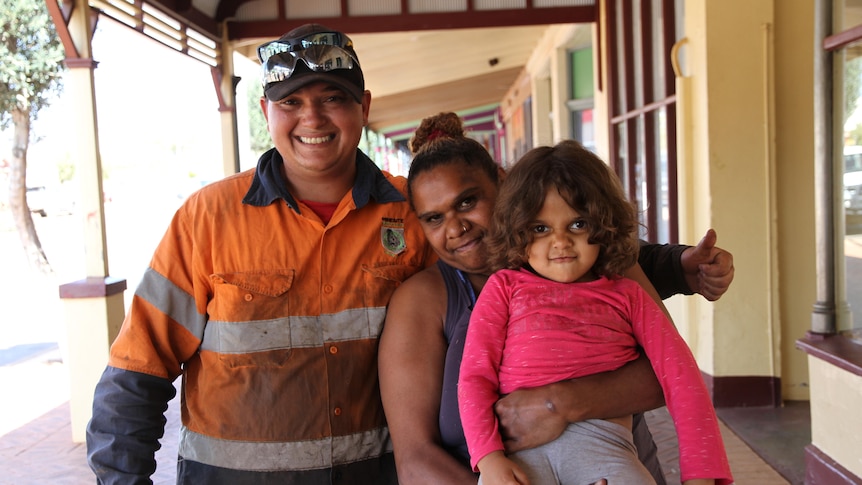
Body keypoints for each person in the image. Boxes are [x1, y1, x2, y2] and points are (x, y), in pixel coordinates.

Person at [85, 23, 435, 484]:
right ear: (266, 110)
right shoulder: (207, 218)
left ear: (363, 107)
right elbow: (137, 370)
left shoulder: (417, 213)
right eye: (291, 102)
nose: (313, 118)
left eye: (333, 97)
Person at [378, 112, 735, 485]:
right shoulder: (427, 300)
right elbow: (417, 460)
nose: (455, 227)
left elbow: (673, 373)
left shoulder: (601, 270)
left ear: (505, 183)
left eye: (468, 202)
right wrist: (492, 460)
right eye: (434, 218)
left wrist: (560, 404)